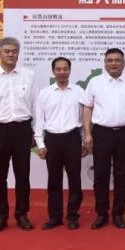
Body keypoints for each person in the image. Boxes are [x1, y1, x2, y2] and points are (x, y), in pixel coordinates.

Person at [0, 37, 37, 233]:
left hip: (22, 129)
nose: (11, 54)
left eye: (14, 51)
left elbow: (35, 106)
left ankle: (22, 214)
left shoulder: (28, 76)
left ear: (18, 54)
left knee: (23, 176)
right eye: (7, 51)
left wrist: (36, 132)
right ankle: (0, 216)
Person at [80, 48, 125, 230]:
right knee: (101, 175)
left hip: (124, 133)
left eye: (117, 60)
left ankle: (118, 214)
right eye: (110, 60)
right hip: (101, 133)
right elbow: (87, 107)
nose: (114, 63)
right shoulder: (95, 82)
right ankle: (101, 214)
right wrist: (87, 133)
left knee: (121, 175)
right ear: (105, 63)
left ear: (123, 63)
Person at [34, 57, 85, 230]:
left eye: (65, 69)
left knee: (75, 179)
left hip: (72, 138)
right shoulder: (45, 93)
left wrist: (84, 141)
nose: (62, 72)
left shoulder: (79, 92)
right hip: (52, 140)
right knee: (54, 180)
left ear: (70, 70)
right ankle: (54, 217)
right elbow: (39, 121)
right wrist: (41, 144)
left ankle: (73, 216)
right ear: (53, 71)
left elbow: (84, 120)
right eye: (58, 69)